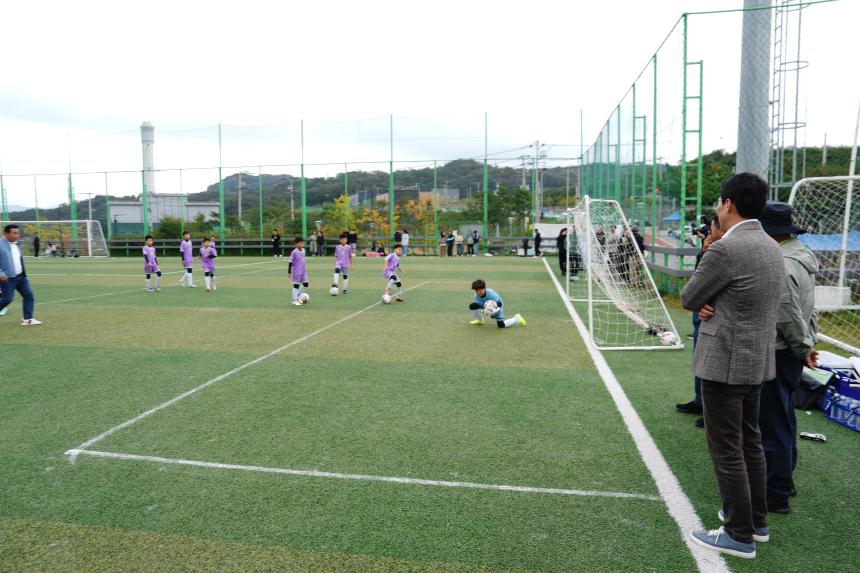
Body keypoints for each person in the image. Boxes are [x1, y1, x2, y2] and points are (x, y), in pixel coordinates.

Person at [681, 173, 784, 559]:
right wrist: (715, 303)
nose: (717, 209)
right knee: (750, 441)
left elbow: (689, 296)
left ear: (728, 204)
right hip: (756, 359)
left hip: (725, 360)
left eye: (718, 202)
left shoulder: (726, 249)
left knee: (726, 448)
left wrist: (707, 298)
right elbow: (746, 297)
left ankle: (738, 534)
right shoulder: (771, 245)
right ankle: (755, 521)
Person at [756, 201, 819, 514]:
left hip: (779, 350)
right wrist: (807, 345)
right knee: (784, 416)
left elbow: (785, 313)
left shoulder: (780, 263)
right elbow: (809, 309)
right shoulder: (801, 256)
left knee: (772, 422)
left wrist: (802, 347)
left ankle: (776, 490)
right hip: (793, 351)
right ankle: (785, 477)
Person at [676, 217, 723, 427]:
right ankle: (700, 400)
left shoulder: (729, 251)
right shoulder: (709, 251)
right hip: (701, 310)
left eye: (711, 231)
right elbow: (698, 279)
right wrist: (704, 253)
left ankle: (712, 411)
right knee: (699, 358)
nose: (708, 236)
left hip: (716, 314)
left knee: (713, 364)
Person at [0, 224, 40, 325]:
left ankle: (28, 319)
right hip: (8, 278)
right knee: (7, 299)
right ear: (6, 233)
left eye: (18, 233)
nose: (17, 235)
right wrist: (1, 273)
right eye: (14, 233)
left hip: (21, 277)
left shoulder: (17, 244)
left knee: (29, 295)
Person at [289, 237, 308, 306]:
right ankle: (294, 301)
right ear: (296, 244)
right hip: (296, 272)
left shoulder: (304, 250)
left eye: (303, 243)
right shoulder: (294, 252)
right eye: (300, 243)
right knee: (296, 286)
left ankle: (298, 295)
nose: (302, 245)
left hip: (303, 271)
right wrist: (289, 272)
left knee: (306, 284)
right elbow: (290, 262)